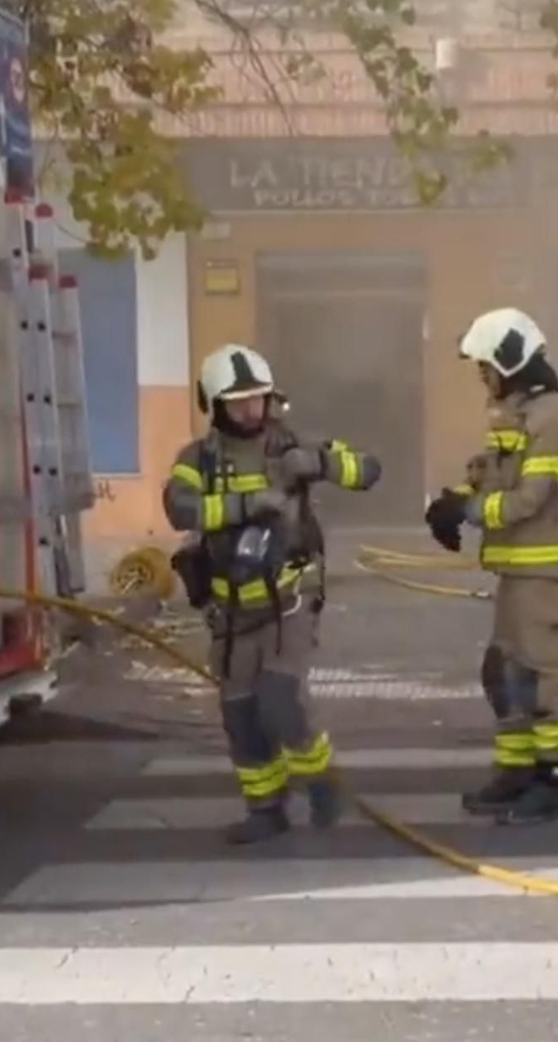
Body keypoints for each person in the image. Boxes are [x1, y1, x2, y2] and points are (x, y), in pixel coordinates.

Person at [163, 343, 382, 844]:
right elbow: (180, 508)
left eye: (258, 399)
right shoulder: (197, 459)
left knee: (280, 701)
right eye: (237, 401)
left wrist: (322, 462)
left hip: (289, 602)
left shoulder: (292, 445)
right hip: (230, 612)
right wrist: (245, 505)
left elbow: (369, 470)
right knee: (241, 715)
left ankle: (321, 782)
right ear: (214, 404)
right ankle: (266, 809)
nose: (249, 409)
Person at [425, 307, 558, 826]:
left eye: (485, 366)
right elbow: (495, 477)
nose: (482, 377)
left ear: (510, 361)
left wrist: (469, 512)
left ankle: (553, 785)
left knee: (545, 681)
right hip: (520, 570)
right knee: (506, 675)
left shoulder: (553, 422)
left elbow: (530, 499)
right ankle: (517, 772)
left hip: (549, 571)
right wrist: (451, 500)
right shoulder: (517, 418)